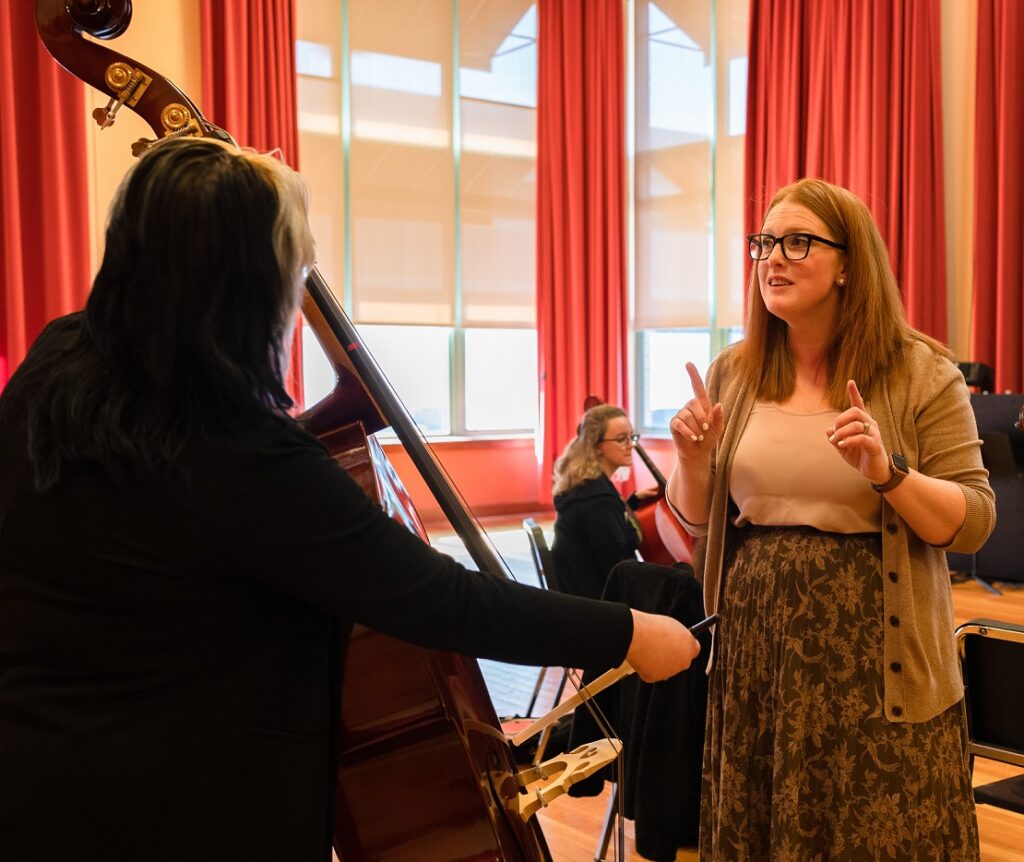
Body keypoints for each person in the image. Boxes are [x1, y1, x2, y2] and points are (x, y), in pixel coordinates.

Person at [0, 137, 702, 862]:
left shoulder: (59, 361)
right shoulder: (236, 451)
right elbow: (439, 599)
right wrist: (629, 633)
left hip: (33, 775)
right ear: (246, 291)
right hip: (178, 804)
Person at [665, 178, 995, 860]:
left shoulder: (918, 371)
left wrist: (889, 473)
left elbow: (975, 521)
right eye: (763, 243)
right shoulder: (736, 370)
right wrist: (693, 460)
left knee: (873, 826)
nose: (772, 259)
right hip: (758, 644)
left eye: (797, 242)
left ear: (849, 263)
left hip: (876, 650)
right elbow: (698, 521)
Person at [551, 404, 651, 600]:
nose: (630, 444)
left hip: (579, 591)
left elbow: (606, 530)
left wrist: (632, 502)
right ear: (596, 446)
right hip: (596, 604)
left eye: (632, 437)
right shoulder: (599, 501)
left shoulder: (586, 486)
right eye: (621, 439)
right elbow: (621, 569)